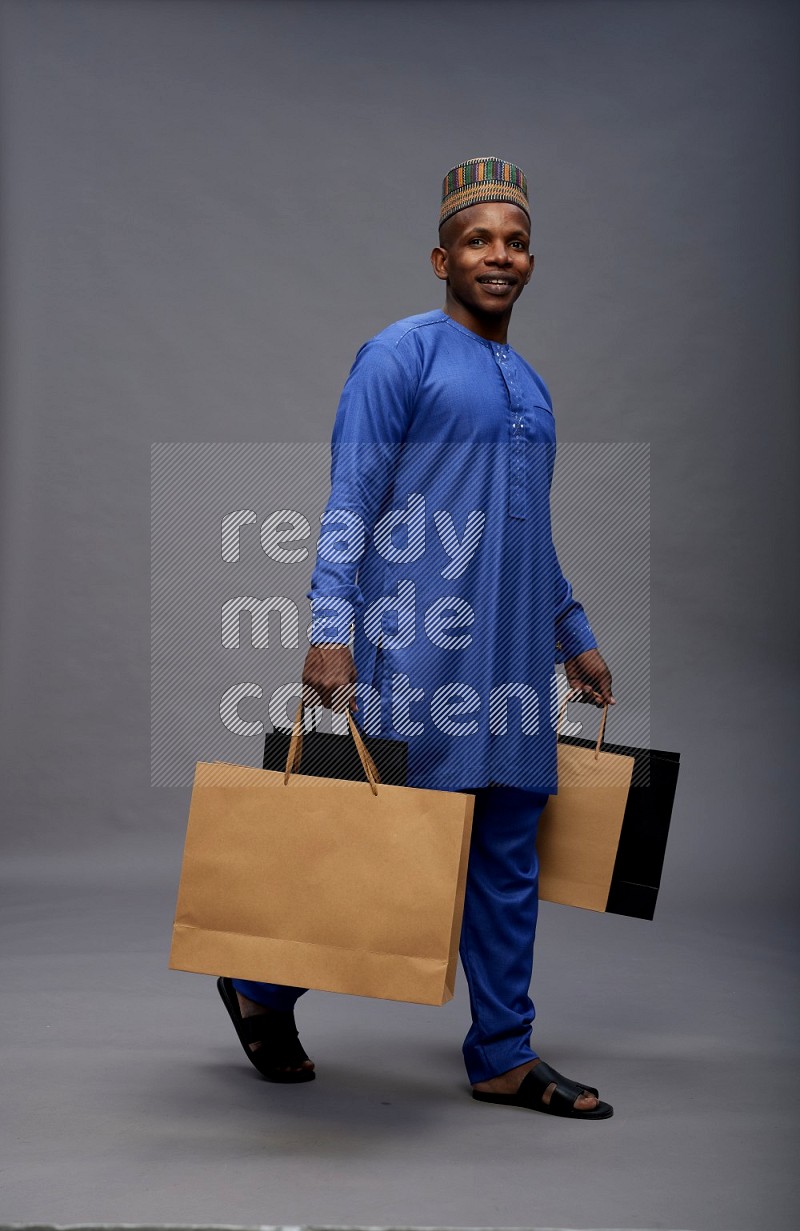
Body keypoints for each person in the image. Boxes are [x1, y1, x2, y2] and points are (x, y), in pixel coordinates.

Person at [217, 157, 616, 1119]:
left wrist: (575, 635)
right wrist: (328, 629)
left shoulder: (536, 389)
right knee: (379, 846)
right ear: (442, 256)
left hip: (514, 665)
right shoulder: (401, 355)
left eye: (515, 241)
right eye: (479, 239)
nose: (500, 255)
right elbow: (350, 498)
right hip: (418, 649)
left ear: (532, 261)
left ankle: (504, 1054)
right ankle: (261, 988)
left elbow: (531, 529)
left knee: (509, 853)